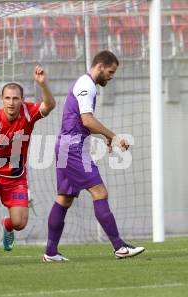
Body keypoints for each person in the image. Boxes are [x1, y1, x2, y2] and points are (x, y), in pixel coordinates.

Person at [43, 50, 145, 262]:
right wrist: (114, 136)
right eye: (110, 71)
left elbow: (83, 123)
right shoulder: (87, 85)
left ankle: (51, 252)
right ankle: (119, 247)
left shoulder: (85, 84)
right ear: (100, 66)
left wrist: (103, 137)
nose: (111, 76)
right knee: (100, 192)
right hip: (72, 149)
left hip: (66, 146)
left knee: (64, 199)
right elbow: (87, 120)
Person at [0, 65, 56, 266]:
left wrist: (42, 84)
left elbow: (49, 105)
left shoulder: (28, 113)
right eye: (7, 98)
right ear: (2, 100)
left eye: (16, 98)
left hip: (15, 178)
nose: (11, 102)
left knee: (20, 223)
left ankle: (7, 226)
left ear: (22, 100)